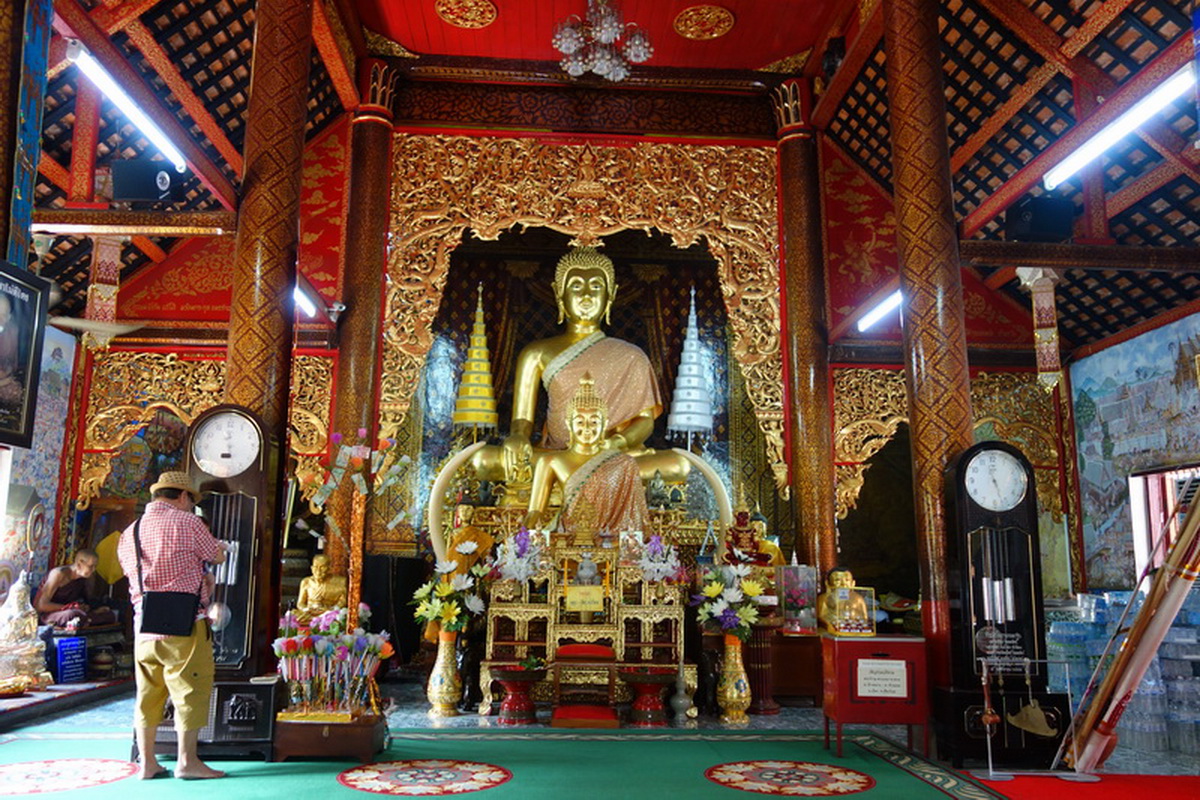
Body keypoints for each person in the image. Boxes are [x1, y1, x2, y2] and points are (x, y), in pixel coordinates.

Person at [472, 247, 689, 484]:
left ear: (611, 295)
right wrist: (517, 437)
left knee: (677, 465)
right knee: (484, 460)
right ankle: (588, 477)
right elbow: (522, 421)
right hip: (557, 456)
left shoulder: (631, 356)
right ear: (559, 294)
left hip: (613, 457)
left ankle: (583, 476)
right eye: (576, 286)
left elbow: (645, 421)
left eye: (596, 286)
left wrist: (616, 443)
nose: (586, 295)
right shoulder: (536, 353)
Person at [116, 471, 227, 780]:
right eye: (191, 500)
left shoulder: (131, 531)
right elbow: (216, 555)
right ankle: (187, 761)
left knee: (147, 693)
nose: (191, 506)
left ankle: (147, 763)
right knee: (189, 690)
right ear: (182, 496)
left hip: (144, 624)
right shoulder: (188, 522)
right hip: (184, 622)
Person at [526, 373, 650, 540]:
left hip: (611, 541)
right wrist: (526, 536)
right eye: (579, 421)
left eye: (593, 422)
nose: (586, 428)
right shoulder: (550, 461)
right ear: (568, 424)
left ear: (605, 424)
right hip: (568, 538)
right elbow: (535, 511)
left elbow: (633, 515)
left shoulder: (623, 464)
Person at [34, 549, 117, 629]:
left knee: (109, 614)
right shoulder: (59, 574)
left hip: (73, 612)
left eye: (95, 566)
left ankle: (86, 618)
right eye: (91, 566)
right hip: (49, 615)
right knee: (73, 614)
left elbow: (85, 601)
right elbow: (41, 606)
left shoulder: (83, 578)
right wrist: (70, 607)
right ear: (79, 564)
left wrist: (88, 608)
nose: (94, 570)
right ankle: (86, 619)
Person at [294, 554, 348, 625]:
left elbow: (342, 602)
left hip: (328, 613)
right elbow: (300, 603)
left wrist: (329, 610)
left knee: (339, 618)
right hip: (309, 613)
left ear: (329, 568)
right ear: (311, 568)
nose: (318, 571)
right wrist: (307, 609)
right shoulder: (306, 582)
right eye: (316, 567)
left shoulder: (340, 581)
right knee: (293, 615)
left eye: (322, 567)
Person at [817, 567, 869, 631]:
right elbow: (821, 616)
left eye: (847, 580)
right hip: (833, 629)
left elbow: (865, 617)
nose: (843, 584)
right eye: (837, 580)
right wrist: (829, 625)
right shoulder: (824, 598)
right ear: (827, 583)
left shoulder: (858, 599)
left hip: (853, 629)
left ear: (853, 583)